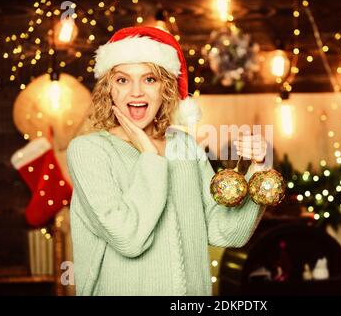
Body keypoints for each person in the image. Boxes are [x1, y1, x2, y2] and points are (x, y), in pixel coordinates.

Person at [67, 26, 270, 296]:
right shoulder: (88, 151)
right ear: (108, 89)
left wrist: (258, 169)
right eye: (122, 80)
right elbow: (128, 238)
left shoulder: (184, 146)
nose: (136, 92)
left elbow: (225, 232)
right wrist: (150, 156)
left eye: (149, 79)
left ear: (166, 88)